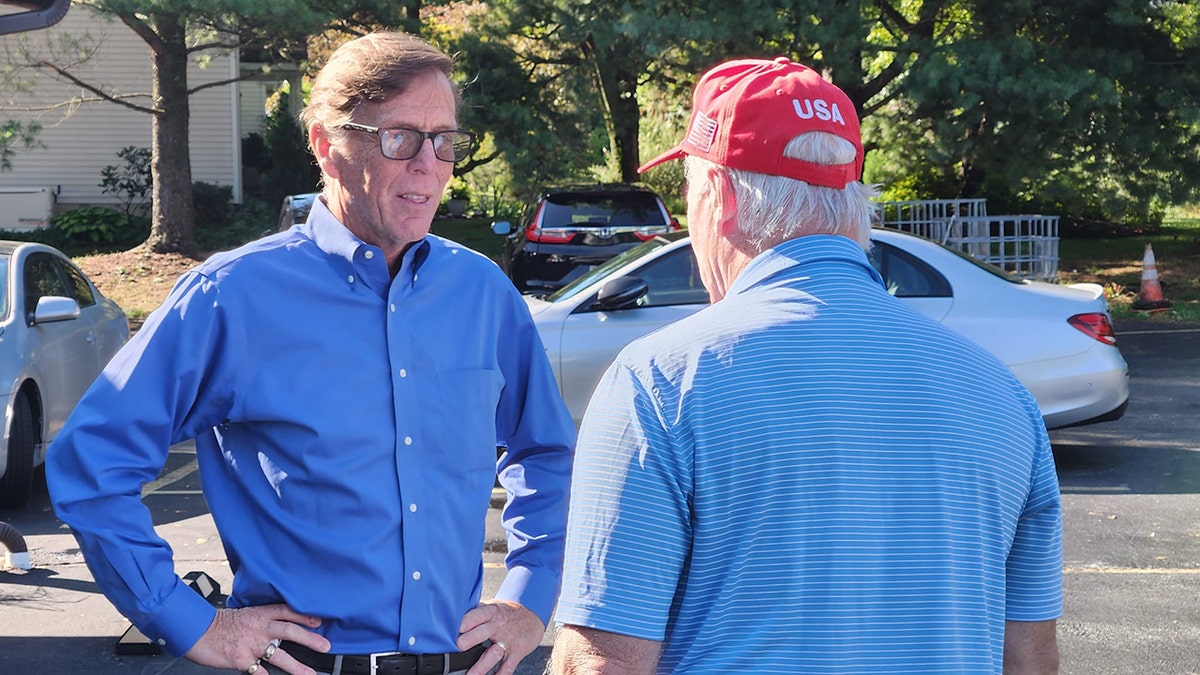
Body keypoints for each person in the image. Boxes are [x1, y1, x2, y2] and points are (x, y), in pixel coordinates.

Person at [48, 32, 575, 675]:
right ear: (327, 144)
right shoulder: (233, 295)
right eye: (400, 137)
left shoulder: (482, 292)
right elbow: (90, 460)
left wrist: (529, 597)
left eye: (444, 140)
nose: (428, 164)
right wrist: (189, 621)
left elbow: (545, 452)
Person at [551, 57, 1062, 674]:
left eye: (689, 194)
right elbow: (1030, 661)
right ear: (853, 198)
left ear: (719, 195)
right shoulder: (1000, 393)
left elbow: (601, 662)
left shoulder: (659, 382)